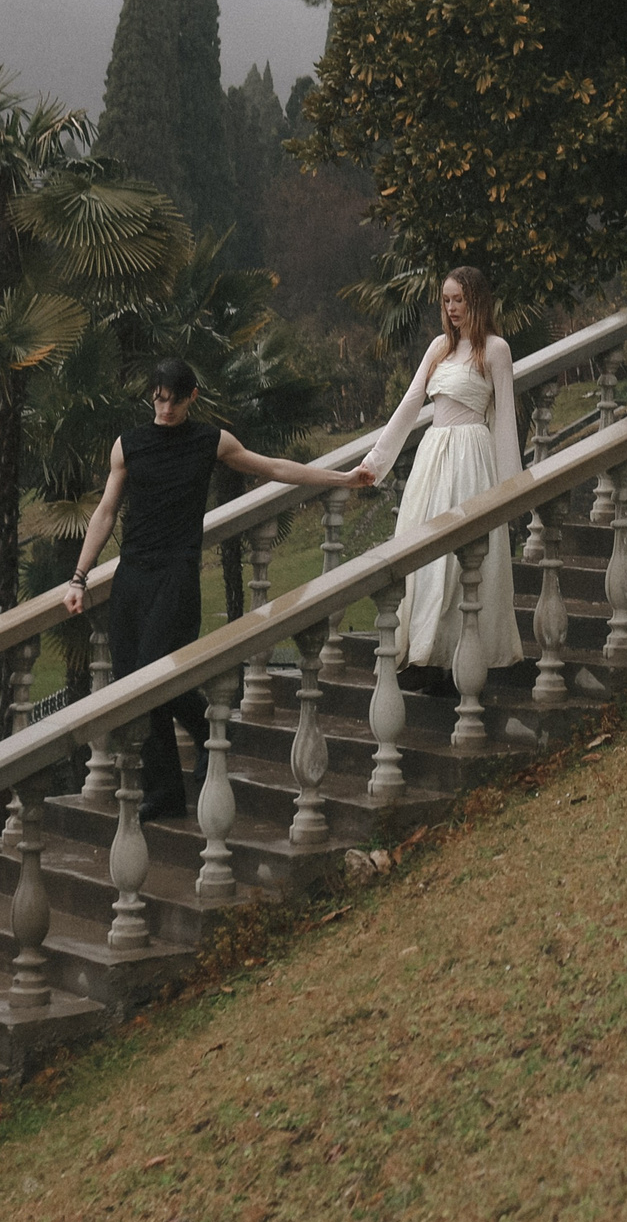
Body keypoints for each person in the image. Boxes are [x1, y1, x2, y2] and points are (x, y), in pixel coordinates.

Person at [64, 359, 371, 821]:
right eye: (158, 398)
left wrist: (342, 478)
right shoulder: (128, 445)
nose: (165, 408)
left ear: (191, 398)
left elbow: (273, 468)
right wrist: (79, 577)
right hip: (132, 576)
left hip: (176, 575)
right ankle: (165, 791)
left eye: (174, 399)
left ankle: (208, 722)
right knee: (132, 683)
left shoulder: (210, 441)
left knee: (154, 673)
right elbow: (106, 512)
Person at [353, 265, 525, 685]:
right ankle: (423, 652)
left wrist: (512, 489)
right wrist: (374, 462)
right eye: (446, 300)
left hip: (472, 456)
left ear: (476, 301)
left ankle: (457, 659)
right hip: (434, 456)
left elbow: (504, 422)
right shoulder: (437, 349)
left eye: (458, 300)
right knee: (423, 553)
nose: (451, 308)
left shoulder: (496, 350)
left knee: (461, 558)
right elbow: (410, 405)